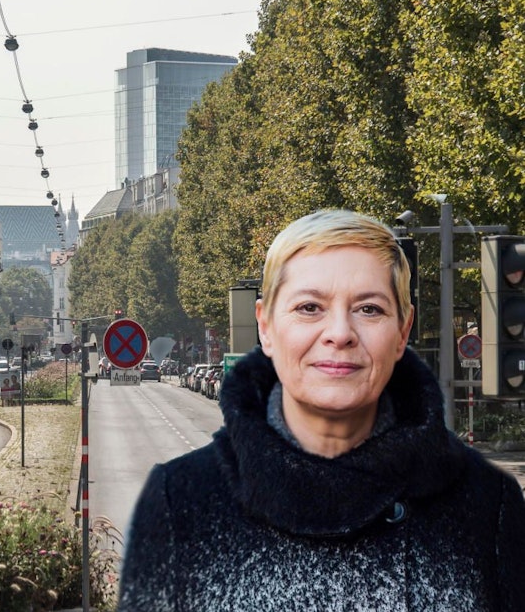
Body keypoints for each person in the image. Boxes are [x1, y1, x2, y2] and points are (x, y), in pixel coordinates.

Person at [118, 209, 525, 610]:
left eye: (369, 309)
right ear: (265, 327)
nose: (340, 334)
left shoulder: (489, 506)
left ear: (403, 332)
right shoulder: (180, 501)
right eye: (309, 307)